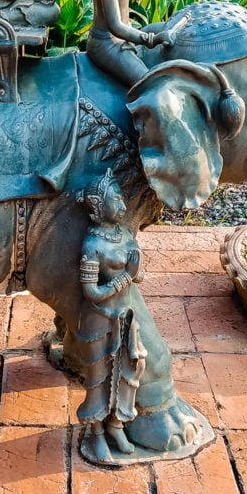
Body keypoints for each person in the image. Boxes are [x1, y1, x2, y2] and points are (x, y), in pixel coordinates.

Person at [76, 169, 148, 465]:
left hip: (126, 317)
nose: (122, 203)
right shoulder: (92, 245)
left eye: (121, 196)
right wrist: (124, 278)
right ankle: (95, 433)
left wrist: (135, 272)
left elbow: (139, 274)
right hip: (100, 319)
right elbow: (91, 292)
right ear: (98, 207)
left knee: (130, 369)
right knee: (99, 376)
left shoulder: (125, 234)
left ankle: (117, 424)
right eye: (115, 198)